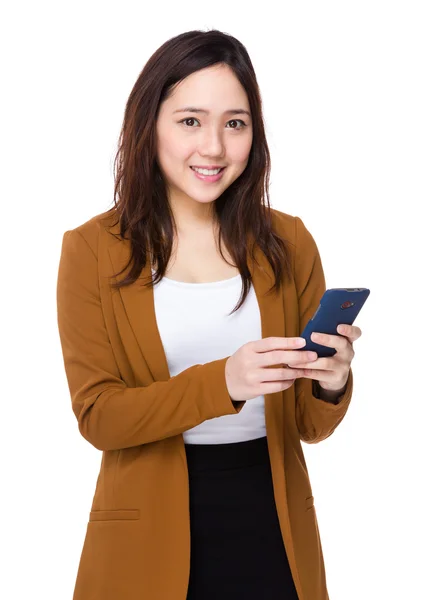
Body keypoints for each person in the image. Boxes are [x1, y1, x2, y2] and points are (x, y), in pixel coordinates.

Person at [56, 28, 359, 600]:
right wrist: (223, 382)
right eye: (191, 120)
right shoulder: (92, 248)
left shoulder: (288, 241)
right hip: (146, 528)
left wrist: (332, 382)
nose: (214, 147)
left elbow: (308, 427)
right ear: (150, 126)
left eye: (235, 123)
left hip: (273, 523)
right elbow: (99, 417)